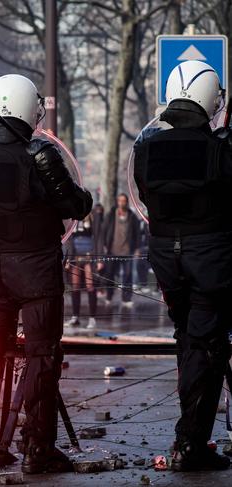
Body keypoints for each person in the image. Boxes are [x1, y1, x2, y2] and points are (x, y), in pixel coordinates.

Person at [0, 74, 92, 473]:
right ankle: (38, 448)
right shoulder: (40, 154)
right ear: (25, 107)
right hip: (35, 267)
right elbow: (73, 204)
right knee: (42, 355)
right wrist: (82, 198)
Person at [134, 59, 231, 471]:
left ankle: (190, 439)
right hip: (210, 256)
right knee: (207, 348)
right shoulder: (217, 149)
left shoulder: (145, 147)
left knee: (187, 340)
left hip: (165, 257)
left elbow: (146, 195)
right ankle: (190, 444)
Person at [64, 211, 102, 330]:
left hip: (89, 256)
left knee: (90, 285)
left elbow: (98, 237)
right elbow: (68, 238)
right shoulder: (73, 218)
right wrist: (68, 258)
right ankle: (75, 317)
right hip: (75, 256)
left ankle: (92, 318)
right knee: (75, 286)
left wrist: (99, 258)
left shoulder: (92, 217)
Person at [102, 193, 139, 307]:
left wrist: (137, 248)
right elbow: (104, 229)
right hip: (112, 250)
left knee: (128, 275)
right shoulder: (111, 215)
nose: (122, 203)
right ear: (117, 202)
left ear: (127, 202)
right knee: (110, 274)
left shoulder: (132, 216)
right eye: (120, 201)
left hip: (127, 251)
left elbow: (137, 233)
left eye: (124, 201)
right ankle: (109, 295)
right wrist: (104, 245)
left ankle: (126, 299)